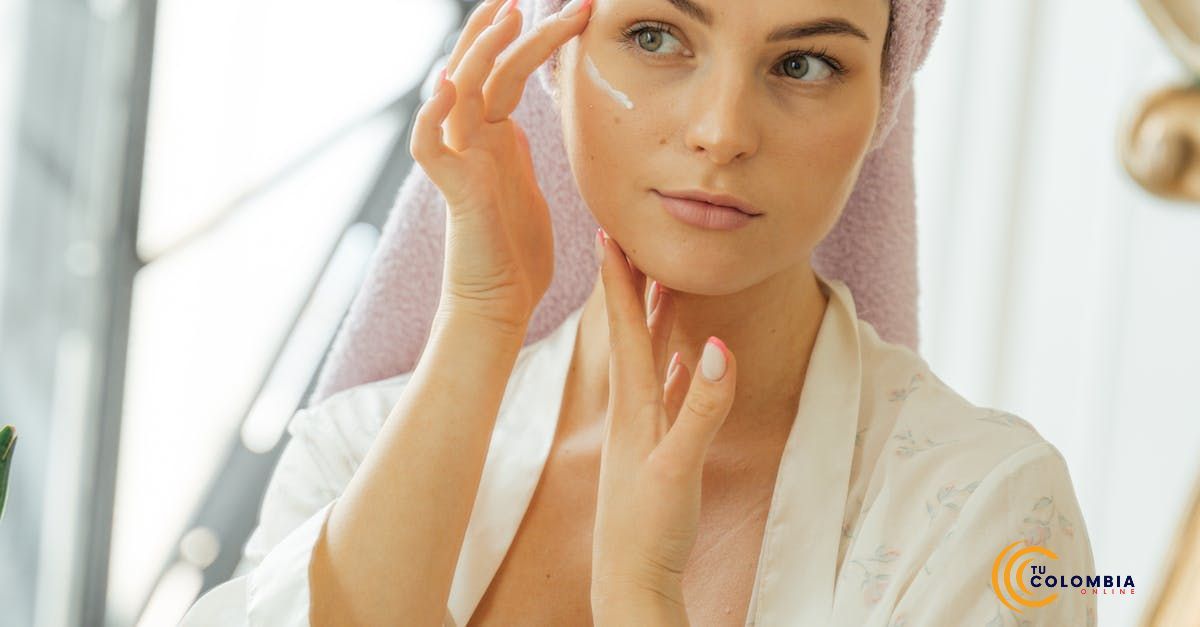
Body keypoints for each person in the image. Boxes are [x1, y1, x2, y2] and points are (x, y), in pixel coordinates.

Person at [181, 0, 1098, 625]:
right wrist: (481, 313)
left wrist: (641, 593)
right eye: (657, 35)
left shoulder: (992, 516)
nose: (723, 128)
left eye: (806, 61)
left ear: (884, 101)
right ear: (546, 52)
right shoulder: (355, 452)